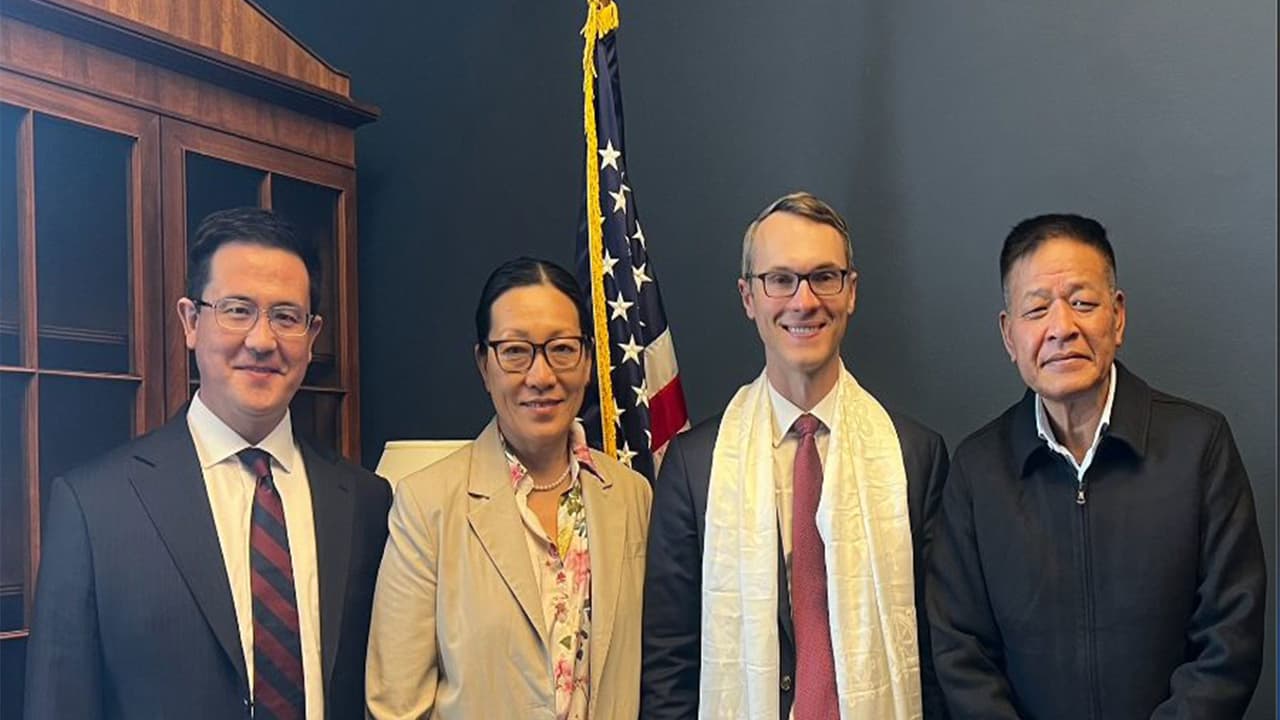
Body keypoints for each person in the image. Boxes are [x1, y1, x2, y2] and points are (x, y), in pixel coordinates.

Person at [24, 207, 392, 719]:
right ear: (191, 322)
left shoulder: (368, 503)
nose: (262, 341)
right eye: (237, 310)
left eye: (286, 316)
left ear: (312, 336)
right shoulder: (94, 506)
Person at [927, 213, 1266, 718]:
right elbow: (960, 653)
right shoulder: (977, 471)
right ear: (1008, 336)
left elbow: (1229, 638)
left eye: (1083, 303)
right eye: (1037, 309)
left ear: (1118, 316)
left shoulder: (1200, 446)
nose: (1062, 328)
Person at [642, 192, 949, 720]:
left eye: (824, 277)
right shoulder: (695, 468)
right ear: (748, 297)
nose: (803, 301)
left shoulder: (915, 456)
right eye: (780, 279)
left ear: (850, 291)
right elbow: (668, 668)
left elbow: (940, 655)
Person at [365, 257, 653, 719]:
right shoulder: (427, 504)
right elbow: (396, 706)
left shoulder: (632, 494)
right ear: (484, 363)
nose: (541, 376)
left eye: (561, 349)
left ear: (587, 359)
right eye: (516, 351)